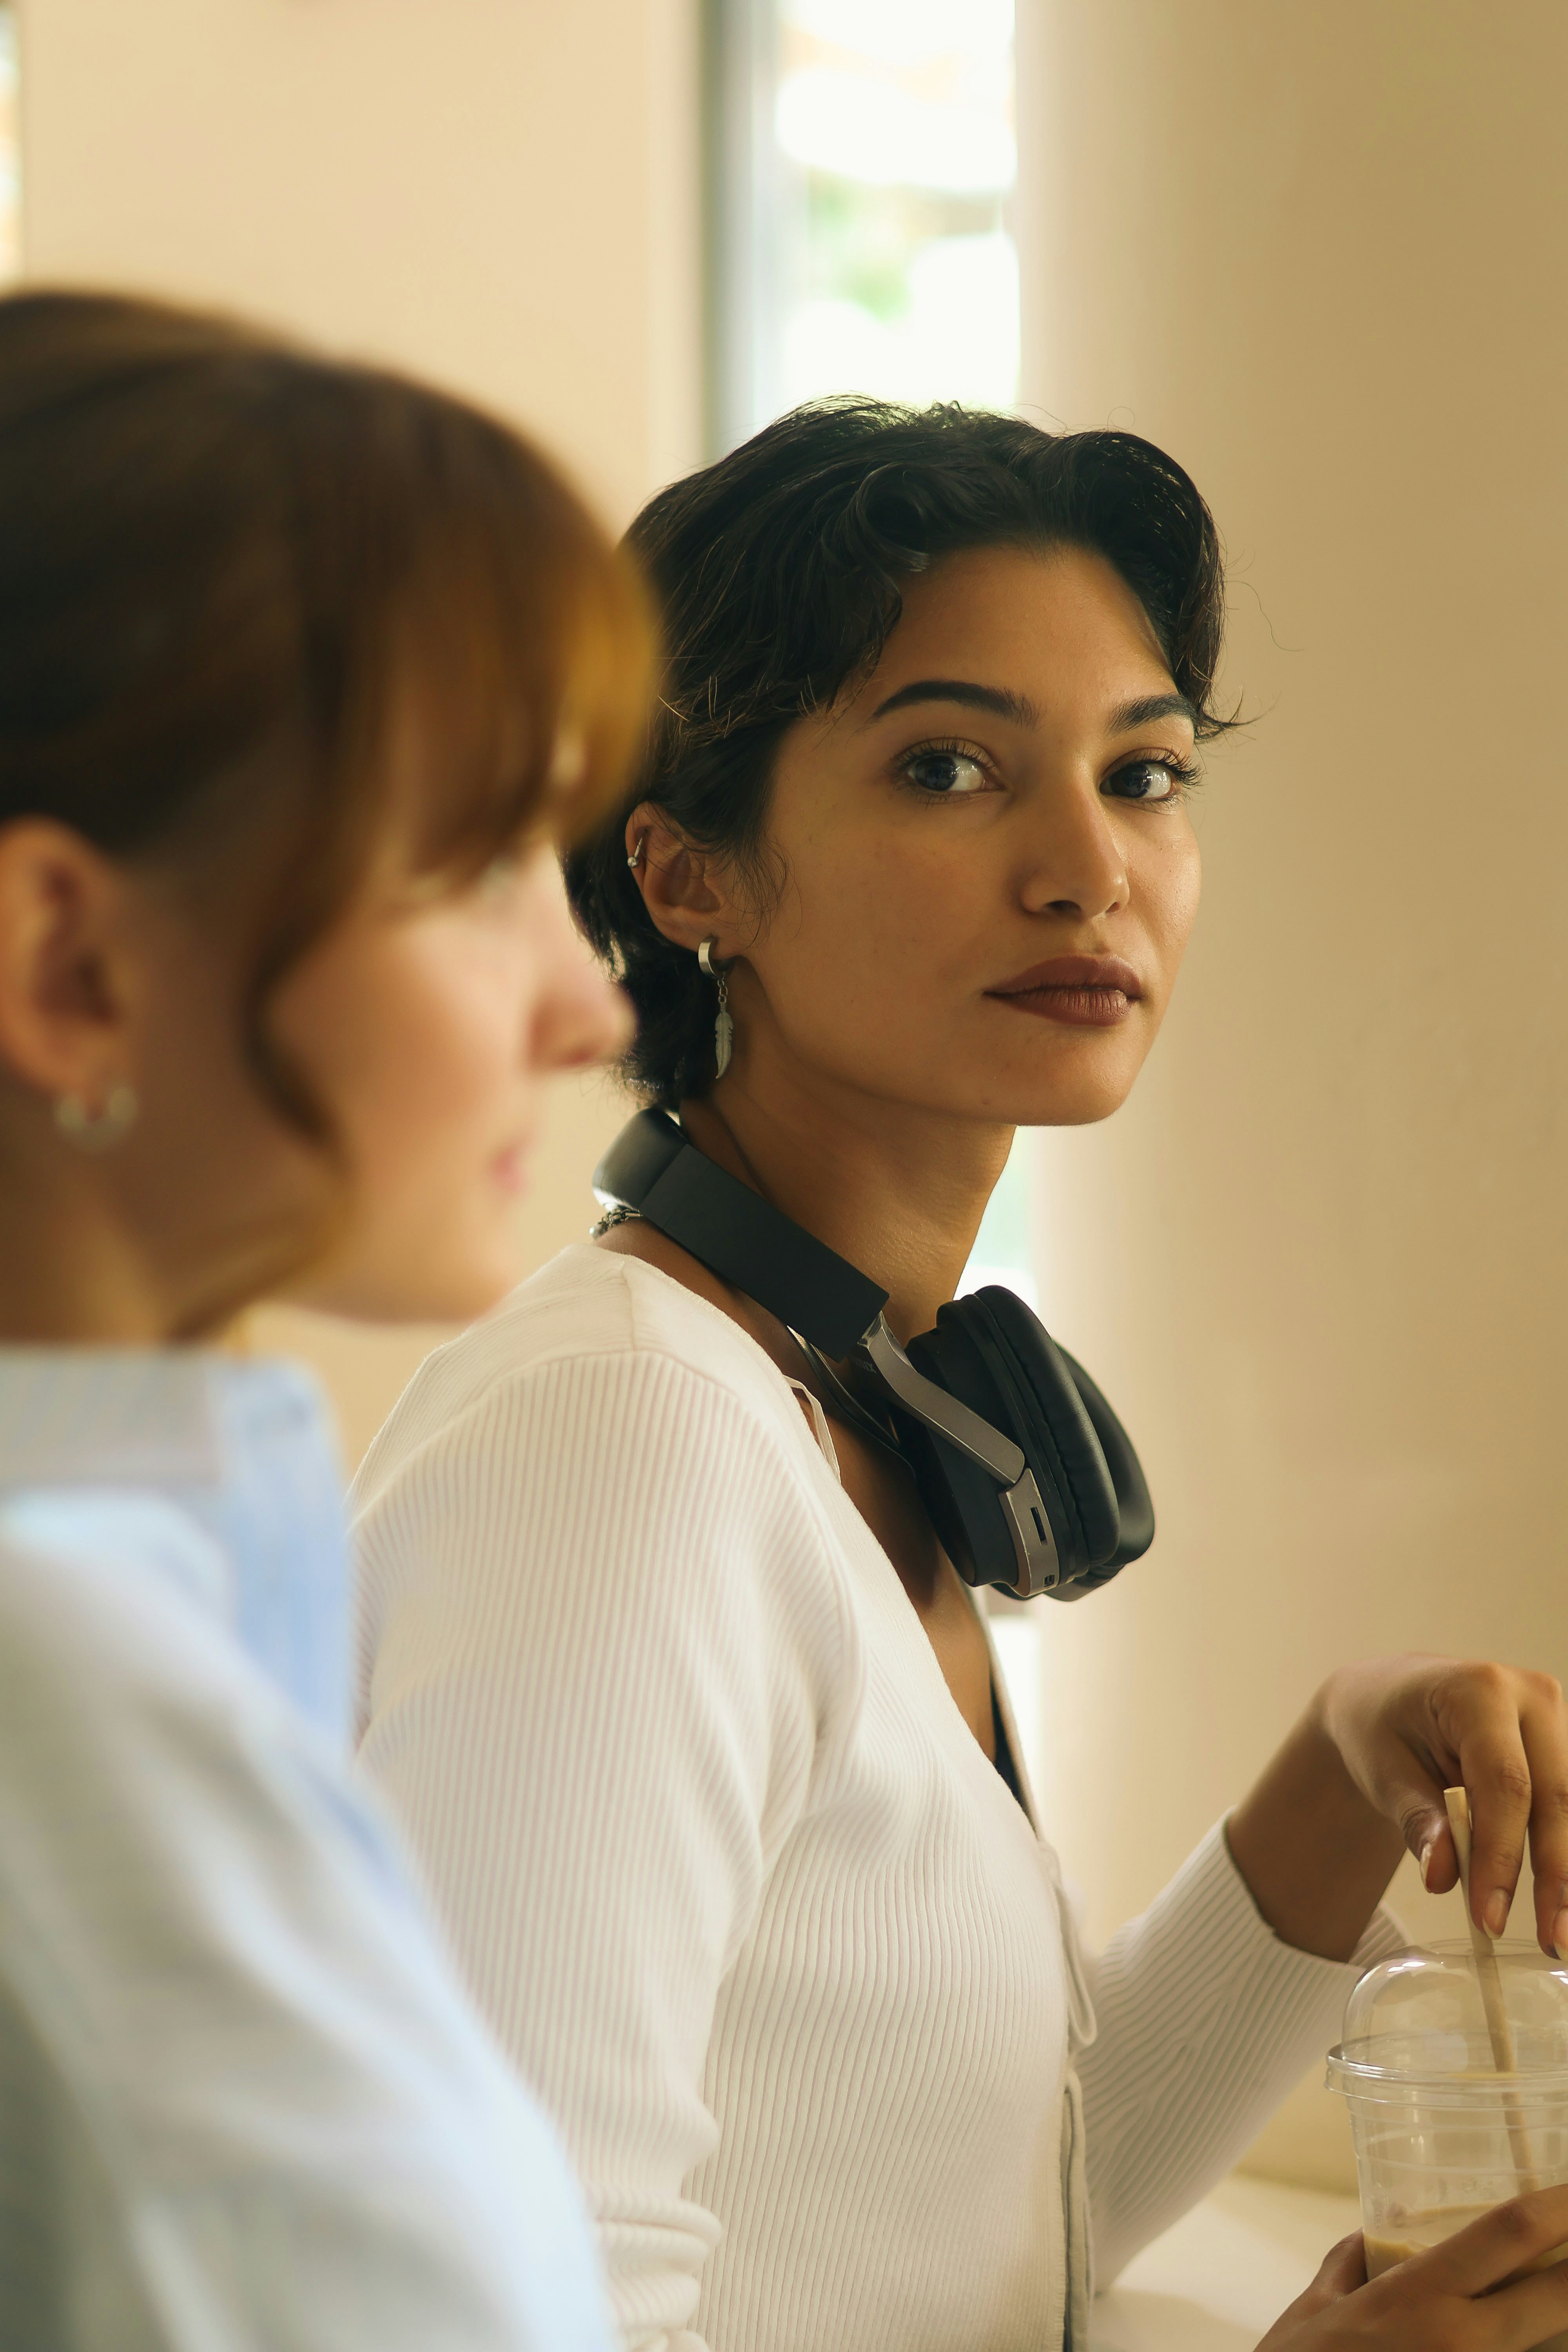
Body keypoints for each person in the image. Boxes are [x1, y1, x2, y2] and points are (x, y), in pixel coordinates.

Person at [352, 400, 1568, 2351]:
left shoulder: (843, 1408)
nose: (1090, 866)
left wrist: (1338, 1775)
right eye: (947, 767)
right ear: (688, 878)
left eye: (1146, 773)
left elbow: (1008, 2214)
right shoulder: (625, 1443)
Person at [0, 288, 648, 2350]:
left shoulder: (155, 1596)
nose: (589, 1009)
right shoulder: (54, 1688)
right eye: (475, 873)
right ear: (67, 967)